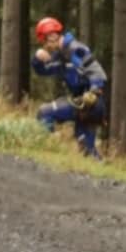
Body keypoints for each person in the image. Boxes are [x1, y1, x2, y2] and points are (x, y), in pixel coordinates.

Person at [31, 16, 106, 160]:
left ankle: (48, 153)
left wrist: (93, 92)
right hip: (82, 102)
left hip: (92, 103)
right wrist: (37, 60)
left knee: (45, 112)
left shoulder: (75, 49)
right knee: (87, 150)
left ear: (52, 36)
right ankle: (98, 166)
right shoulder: (60, 56)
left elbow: (97, 72)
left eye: (45, 41)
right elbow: (44, 70)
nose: (45, 46)